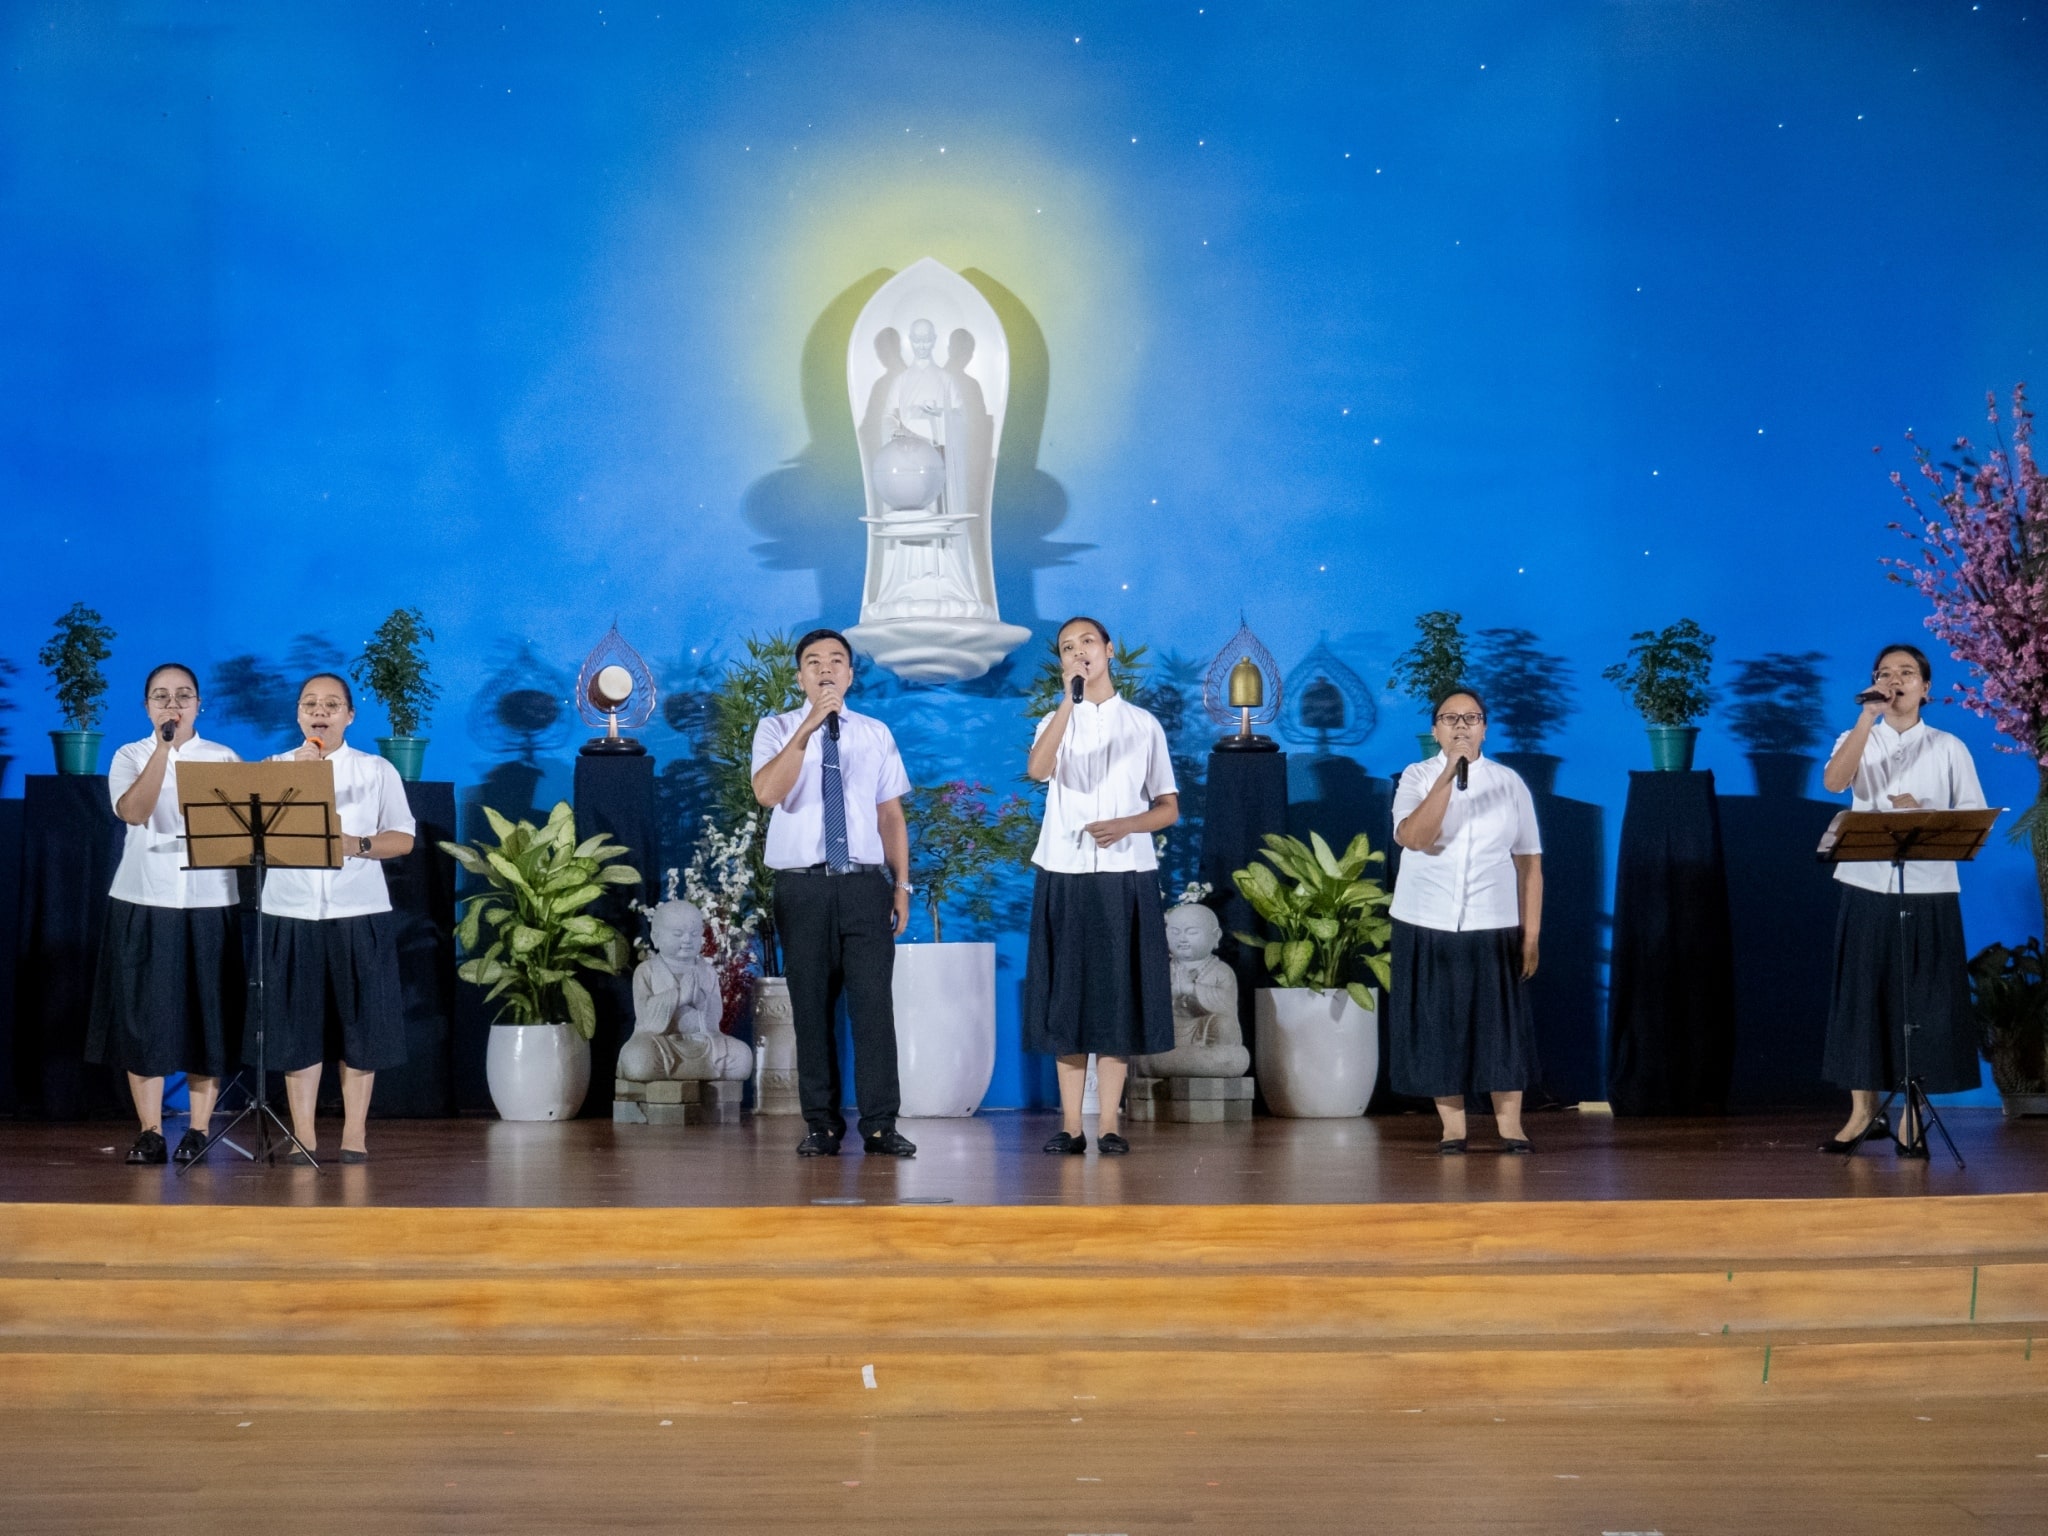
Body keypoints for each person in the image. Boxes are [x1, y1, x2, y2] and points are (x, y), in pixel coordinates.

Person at [750, 629, 917, 1157]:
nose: (826, 669)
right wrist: (808, 728)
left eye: (837, 661)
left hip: (865, 885)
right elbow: (768, 792)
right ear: (800, 676)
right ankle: (820, 1123)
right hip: (802, 888)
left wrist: (902, 885)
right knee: (812, 1010)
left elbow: (890, 814)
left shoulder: (875, 733)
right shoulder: (775, 729)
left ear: (849, 674)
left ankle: (880, 1124)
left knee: (873, 1009)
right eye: (814, 662)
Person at [1816, 643, 1986, 1157]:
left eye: (1906, 673)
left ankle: (1913, 1111)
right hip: (1868, 884)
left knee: (1924, 1000)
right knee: (1862, 996)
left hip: (1931, 887)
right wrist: (1866, 719)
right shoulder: (1857, 736)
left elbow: (1974, 816)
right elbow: (1834, 781)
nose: (1895, 680)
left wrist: (1925, 811)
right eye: (1884, 674)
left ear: (1925, 688)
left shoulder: (1949, 746)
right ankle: (1863, 1112)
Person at [1022, 616, 1180, 1155]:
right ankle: (1070, 1125)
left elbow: (1167, 807)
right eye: (1068, 648)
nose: (1079, 652)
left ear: (1109, 650)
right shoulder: (1054, 718)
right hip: (1064, 871)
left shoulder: (1143, 724)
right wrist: (1068, 703)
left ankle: (1110, 1123)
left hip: (1124, 874)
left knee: (1115, 999)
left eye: (1087, 642)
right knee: (1067, 998)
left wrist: (1126, 825)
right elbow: (1038, 771)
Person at [86, 663, 245, 1166]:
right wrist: (163, 749)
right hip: (143, 898)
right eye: (161, 697)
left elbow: (241, 834)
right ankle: (151, 1130)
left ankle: (199, 1130)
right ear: (147, 707)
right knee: (143, 1019)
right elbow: (133, 812)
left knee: (207, 1015)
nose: (172, 705)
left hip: (209, 899)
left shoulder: (224, 758)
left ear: (200, 704)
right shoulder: (130, 754)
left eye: (183, 696)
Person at [258, 673, 416, 1165]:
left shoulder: (376, 770)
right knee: (295, 1026)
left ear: (349, 715)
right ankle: (302, 1134)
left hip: (358, 912)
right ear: (298, 715)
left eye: (331, 704)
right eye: (310, 704)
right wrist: (295, 780)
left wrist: (359, 845)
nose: (319, 711)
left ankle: (354, 1133)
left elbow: (404, 837)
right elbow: (251, 839)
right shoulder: (271, 768)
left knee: (360, 1027)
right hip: (289, 911)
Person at [1388, 687, 1544, 1154]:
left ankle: (1510, 1127)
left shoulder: (1509, 782)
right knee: (1437, 1025)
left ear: (1485, 728)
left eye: (1471, 718)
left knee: (1500, 1026)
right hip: (1426, 919)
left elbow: (1529, 861)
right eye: (1450, 718)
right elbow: (1414, 837)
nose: (1461, 726)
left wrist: (1530, 934)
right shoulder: (1416, 777)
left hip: (1492, 920)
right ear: (1434, 729)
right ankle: (1453, 1129)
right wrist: (1448, 776)